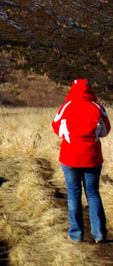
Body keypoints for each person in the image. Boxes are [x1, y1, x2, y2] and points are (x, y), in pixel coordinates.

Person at [52, 79, 110, 242]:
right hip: (92, 157)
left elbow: (57, 129)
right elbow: (105, 130)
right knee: (93, 193)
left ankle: (76, 235)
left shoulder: (66, 107)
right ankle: (99, 233)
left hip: (70, 157)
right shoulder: (97, 107)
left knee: (73, 194)